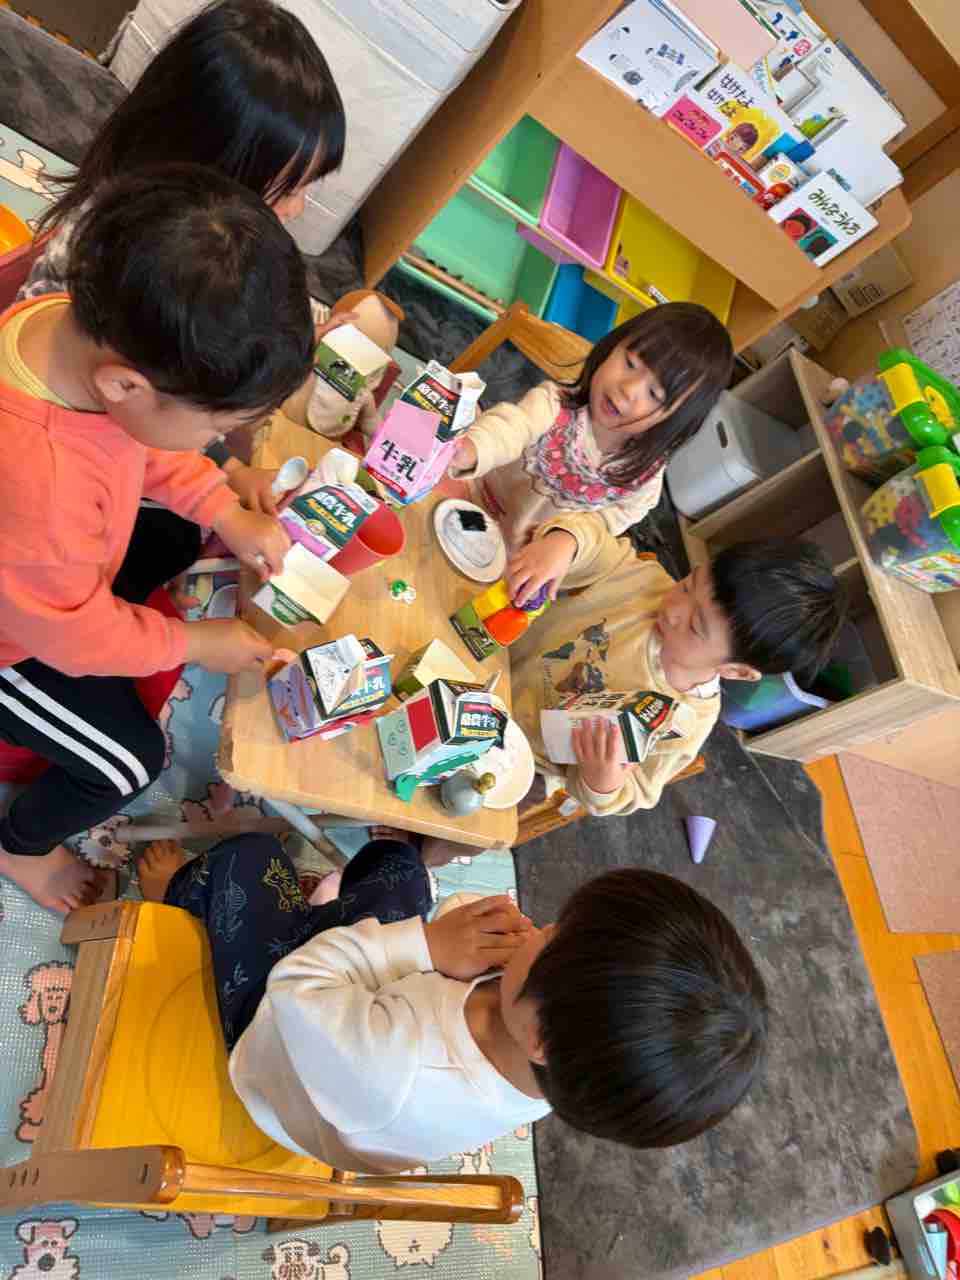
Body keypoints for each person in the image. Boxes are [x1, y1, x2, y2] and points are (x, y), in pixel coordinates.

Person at [0, 165, 314, 914]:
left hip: (49, 571)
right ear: (124, 385)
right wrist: (197, 644)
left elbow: (141, 444)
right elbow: (75, 639)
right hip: (17, 642)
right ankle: (18, 846)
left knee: (182, 522)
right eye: (215, 425)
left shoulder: (69, 329)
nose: (215, 443)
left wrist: (224, 507)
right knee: (127, 762)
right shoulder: (41, 484)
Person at [138, 829, 768, 1173]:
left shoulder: (398, 1071)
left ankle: (178, 893)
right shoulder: (569, 1058)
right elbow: (450, 973)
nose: (544, 926)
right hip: (361, 1016)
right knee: (401, 864)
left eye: (552, 938)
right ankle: (331, 910)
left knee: (252, 858)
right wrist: (461, 934)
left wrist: (426, 944)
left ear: (540, 1037)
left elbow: (296, 985)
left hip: (278, 1043)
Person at [16, 0, 398, 516]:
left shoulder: (165, 242)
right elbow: (164, 410)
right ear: (210, 171)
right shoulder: (114, 277)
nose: (297, 208)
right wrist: (227, 466)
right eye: (287, 189)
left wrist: (232, 464)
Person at [422, 533, 845, 864]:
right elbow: (596, 542)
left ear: (735, 671)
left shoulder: (685, 723)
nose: (674, 609)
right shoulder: (643, 584)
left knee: (461, 828)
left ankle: (408, 859)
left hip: (525, 763)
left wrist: (601, 781)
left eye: (696, 627)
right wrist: (564, 545)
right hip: (489, 671)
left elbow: (636, 791)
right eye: (688, 585)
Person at [449, 304, 734, 606]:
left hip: (516, 566)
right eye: (630, 363)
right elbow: (512, 426)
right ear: (611, 347)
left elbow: (603, 526)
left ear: (672, 421)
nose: (628, 389)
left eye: (654, 394)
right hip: (467, 498)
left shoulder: (643, 483)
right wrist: (473, 448)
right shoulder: (554, 405)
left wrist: (568, 540)